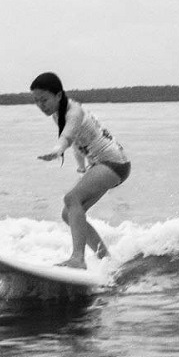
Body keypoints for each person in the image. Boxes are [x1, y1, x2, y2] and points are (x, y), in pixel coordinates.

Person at [30, 72, 131, 269]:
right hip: (102, 164)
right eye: (36, 101)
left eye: (44, 99)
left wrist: (58, 150)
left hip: (113, 162)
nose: (41, 105)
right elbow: (77, 142)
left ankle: (78, 258)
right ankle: (107, 260)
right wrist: (81, 168)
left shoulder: (73, 111)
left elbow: (67, 137)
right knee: (68, 214)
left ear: (58, 95)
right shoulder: (56, 115)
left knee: (71, 199)